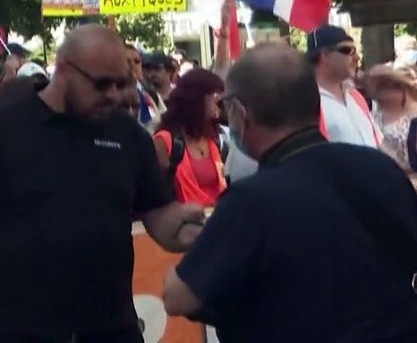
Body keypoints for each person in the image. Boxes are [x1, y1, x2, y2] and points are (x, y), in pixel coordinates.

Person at [0, 25, 204, 343]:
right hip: (27, 332)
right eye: (101, 84)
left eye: (120, 83)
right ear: (64, 69)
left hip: (113, 329)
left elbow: (159, 216)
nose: (112, 94)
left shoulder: (128, 135)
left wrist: (194, 229)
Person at [162, 43, 417, 341]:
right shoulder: (380, 168)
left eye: (226, 106)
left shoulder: (251, 200)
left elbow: (177, 297)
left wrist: (207, 237)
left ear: (241, 112)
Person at [151, 70, 227, 206]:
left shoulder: (211, 139)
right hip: (182, 221)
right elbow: (154, 192)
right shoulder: (165, 141)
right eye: (215, 96)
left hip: (216, 218)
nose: (219, 102)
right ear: (197, 99)